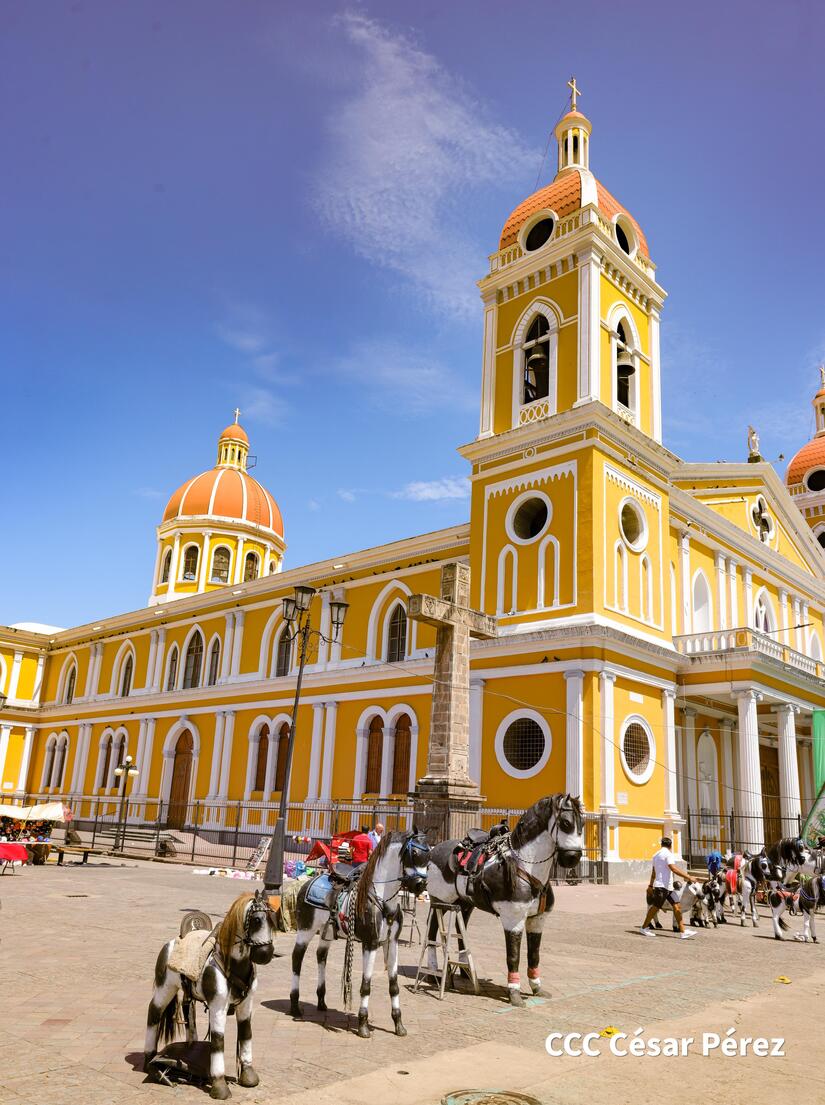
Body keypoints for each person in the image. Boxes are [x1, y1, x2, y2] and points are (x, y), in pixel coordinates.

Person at [640, 836, 696, 939]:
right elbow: (673, 869)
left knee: (677, 906)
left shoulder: (656, 855)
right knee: (655, 908)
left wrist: (650, 885)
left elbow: (654, 872)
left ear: (661, 845)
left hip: (668, 887)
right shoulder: (668, 854)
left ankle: (683, 931)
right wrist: (689, 877)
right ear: (670, 845)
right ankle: (644, 927)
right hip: (662, 887)